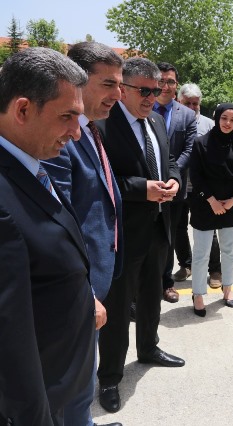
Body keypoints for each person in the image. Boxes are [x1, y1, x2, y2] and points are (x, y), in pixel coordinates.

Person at [0, 47, 95, 426]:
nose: (76, 133)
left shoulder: (32, 166)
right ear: (22, 110)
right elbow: (9, 336)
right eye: (67, 117)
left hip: (60, 385)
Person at [96, 57, 185, 414]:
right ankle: (110, 377)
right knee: (118, 308)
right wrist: (141, 188)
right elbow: (100, 181)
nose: (153, 97)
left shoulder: (158, 123)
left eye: (158, 90)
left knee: (151, 296)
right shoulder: (101, 126)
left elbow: (171, 160)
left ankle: (148, 348)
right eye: (145, 91)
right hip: (124, 234)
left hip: (159, 228)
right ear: (124, 89)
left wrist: (175, 179)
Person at [42, 41, 124, 426]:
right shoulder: (61, 139)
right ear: (77, 80)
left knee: (82, 382)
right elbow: (59, 222)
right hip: (77, 291)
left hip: (94, 282)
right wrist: (86, 293)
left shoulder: (91, 130)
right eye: (108, 84)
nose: (118, 94)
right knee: (72, 391)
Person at [190, 103, 233, 316]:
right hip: (205, 205)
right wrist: (212, 201)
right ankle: (198, 294)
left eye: (232, 120)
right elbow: (196, 177)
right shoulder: (201, 143)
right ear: (217, 118)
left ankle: (228, 288)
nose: (227, 123)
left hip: (230, 205)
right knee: (201, 254)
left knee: (229, 251)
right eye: (224, 118)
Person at [154, 62, 197, 303]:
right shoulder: (143, 110)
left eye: (170, 81)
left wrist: (171, 176)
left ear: (176, 85)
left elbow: (189, 149)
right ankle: (143, 284)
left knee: (169, 237)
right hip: (146, 186)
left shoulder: (187, 115)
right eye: (161, 81)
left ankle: (166, 283)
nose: (166, 86)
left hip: (174, 187)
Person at [175, 83, 223, 289]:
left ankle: (215, 270)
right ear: (179, 101)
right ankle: (186, 265)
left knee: (208, 229)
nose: (192, 107)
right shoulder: (172, 122)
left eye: (196, 104)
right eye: (188, 103)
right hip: (177, 186)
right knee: (178, 228)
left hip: (201, 188)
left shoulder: (210, 125)